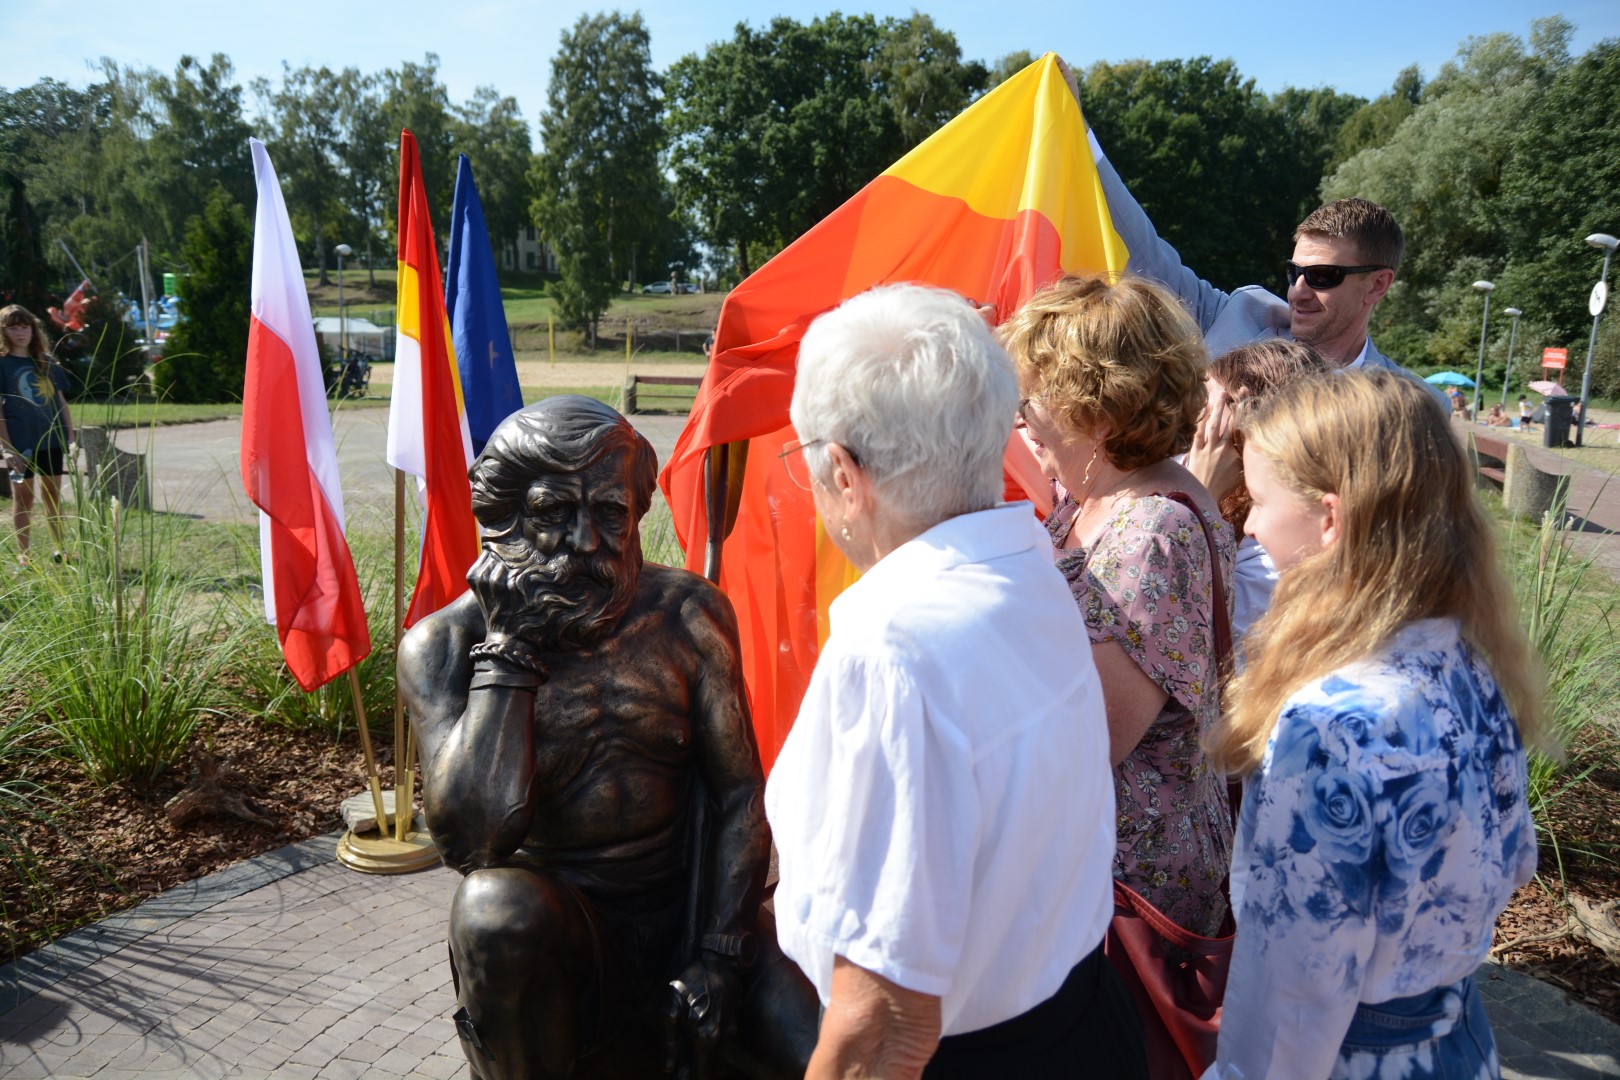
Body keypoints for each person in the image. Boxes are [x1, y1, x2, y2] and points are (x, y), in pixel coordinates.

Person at [766, 284, 1143, 1078]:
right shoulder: (1026, 562)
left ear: (843, 473)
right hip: (1082, 1025)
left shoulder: (893, 649)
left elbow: (885, 1023)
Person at [397, 396, 817, 1080]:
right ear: (504, 519)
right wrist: (509, 651)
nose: (588, 542)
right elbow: (471, 844)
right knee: (492, 908)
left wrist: (718, 953)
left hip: (689, 913)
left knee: (829, 1053)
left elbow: (740, 791)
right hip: (561, 936)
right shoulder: (446, 646)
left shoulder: (687, 615)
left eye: (611, 514)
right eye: (554, 513)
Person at [1205, 368, 1543, 1078]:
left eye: (1260, 499)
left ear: (1329, 518)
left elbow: (1297, 984)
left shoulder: (1328, 725)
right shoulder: (1471, 667)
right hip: (1456, 1039)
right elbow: (1516, 859)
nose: (1252, 522)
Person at [1000, 274, 1235, 937]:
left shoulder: (1150, 534)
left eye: (1032, 399)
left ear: (1100, 407)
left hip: (1129, 896)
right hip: (1102, 871)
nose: (1021, 418)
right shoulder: (1096, 496)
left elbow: (1086, 742)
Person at [1052, 57, 1447, 413]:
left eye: (1324, 276)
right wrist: (1078, 130)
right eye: (1295, 273)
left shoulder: (1415, 407)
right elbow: (1146, 256)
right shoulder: (1239, 317)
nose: (1298, 292)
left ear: (1378, 284)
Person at [1183, 339, 1331, 641]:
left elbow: (1193, 634)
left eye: (1207, 405)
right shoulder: (1221, 491)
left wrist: (1199, 495)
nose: (1192, 417)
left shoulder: (1281, 540)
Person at [0, 304, 74, 566]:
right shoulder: (2, 364)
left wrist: (70, 435)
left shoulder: (46, 361)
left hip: (51, 440)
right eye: (13, 328)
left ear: (33, 329)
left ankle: (60, 548)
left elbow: (61, 401)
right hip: (20, 445)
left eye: (25, 326)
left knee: (52, 494)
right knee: (23, 498)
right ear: (4, 332)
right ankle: (24, 555)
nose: (20, 332)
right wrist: (7, 448)